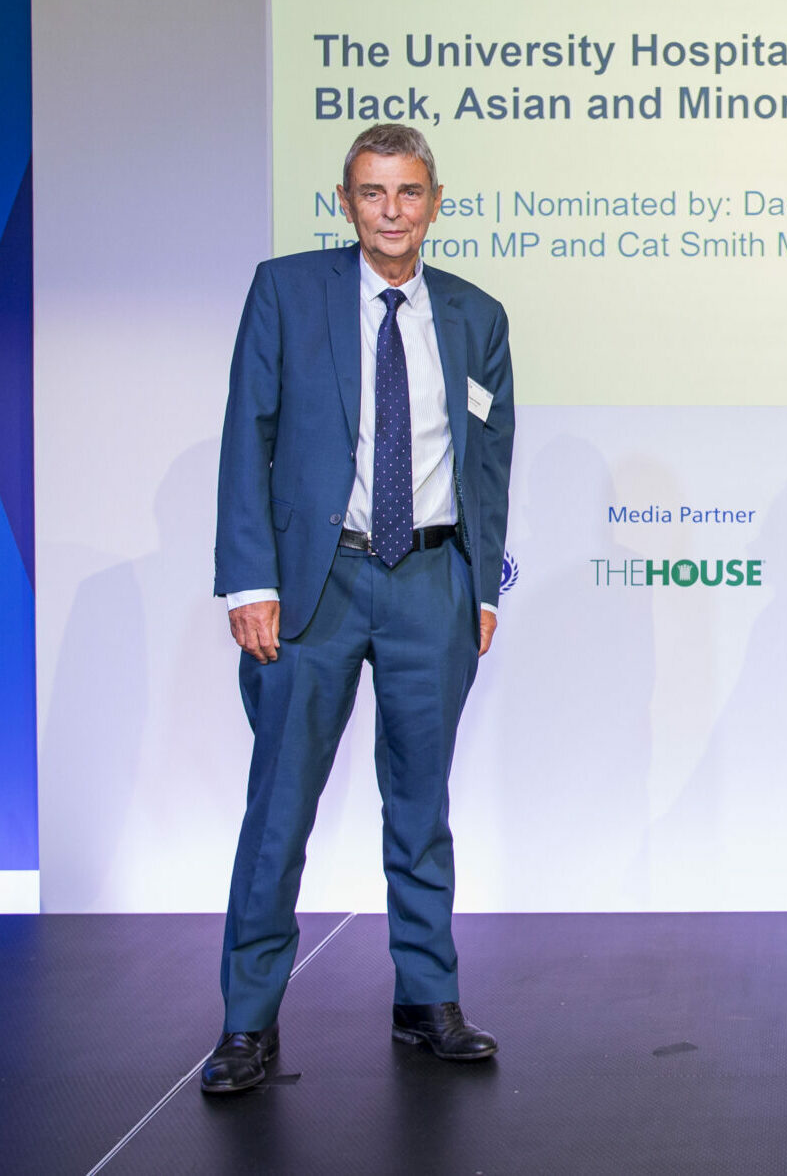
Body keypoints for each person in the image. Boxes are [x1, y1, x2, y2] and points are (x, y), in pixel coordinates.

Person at [201, 124, 515, 1095]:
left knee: (420, 807)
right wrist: (250, 581)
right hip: (315, 587)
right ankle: (249, 1023)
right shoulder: (286, 292)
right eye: (373, 192)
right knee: (279, 811)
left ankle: (427, 999)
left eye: (409, 192)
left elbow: (490, 460)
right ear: (345, 200)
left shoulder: (476, 314)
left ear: (434, 200)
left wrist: (482, 580)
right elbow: (244, 433)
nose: (391, 209)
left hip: (430, 584)